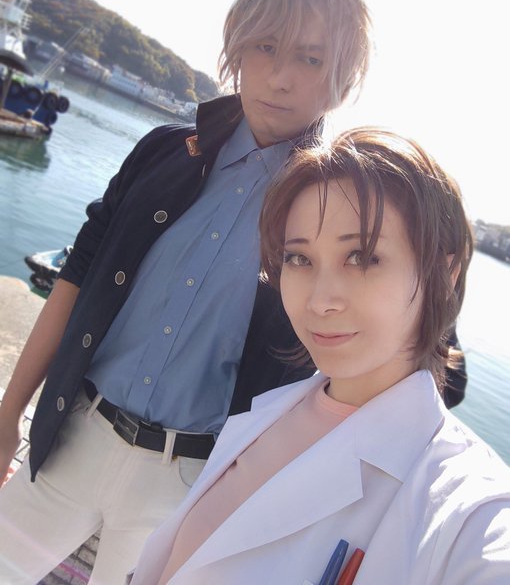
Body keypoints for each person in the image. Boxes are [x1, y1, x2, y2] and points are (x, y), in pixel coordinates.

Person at [0, 0, 372, 584]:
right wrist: (9, 411)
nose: (280, 76)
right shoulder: (162, 153)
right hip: (74, 432)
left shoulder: (337, 213)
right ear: (237, 45)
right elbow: (77, 275)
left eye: (310, 59)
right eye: (265, 46)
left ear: (341, 78)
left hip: (191, 486)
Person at [130, 129, 510, 585]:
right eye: (299, 259)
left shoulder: (466, 510)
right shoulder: (269, 413)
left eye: (362, 256)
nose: (320, 300)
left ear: (444, 275)